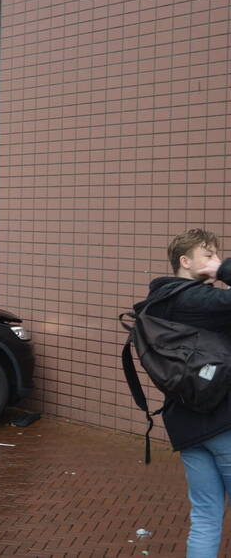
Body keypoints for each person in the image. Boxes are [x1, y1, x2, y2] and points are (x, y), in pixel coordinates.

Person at [137, 229, 231, 557]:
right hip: (223, 424)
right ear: (185, 261)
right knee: (205, 515)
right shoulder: (196, 300)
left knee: (205, 516)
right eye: (208, 255)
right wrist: (224, 271)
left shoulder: (156, 304)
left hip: (186, 427)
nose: (215, 261)